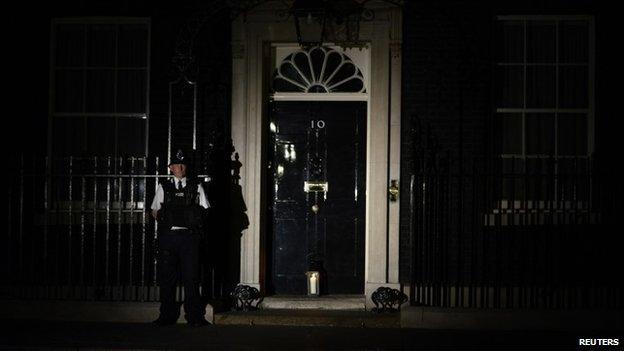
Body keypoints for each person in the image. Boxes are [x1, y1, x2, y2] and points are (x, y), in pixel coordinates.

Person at [150, 149, 211, 327]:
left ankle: (194, 317)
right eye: (177, 164)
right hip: (169, 237)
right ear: (171, 168)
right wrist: (168, 219)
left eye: (183, 164)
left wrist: (191, 219)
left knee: (191, 278)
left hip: (189, 238)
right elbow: (154, 211)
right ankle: (166, 316)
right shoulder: (164, 187)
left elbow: (205, 209)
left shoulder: (196, 186)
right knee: (167, 278)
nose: (180, 167)